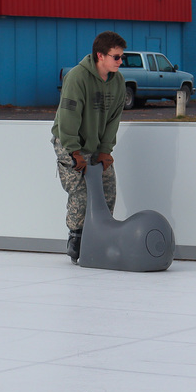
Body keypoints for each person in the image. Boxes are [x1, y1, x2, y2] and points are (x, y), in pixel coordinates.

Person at [51, 31, 127, 263]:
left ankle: (102, 236)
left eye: (121, 57)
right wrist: (74, 151)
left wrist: (105, 150)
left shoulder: (118, 82)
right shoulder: (77, 78)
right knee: (81, 192)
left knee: (107, 189)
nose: (120, 61)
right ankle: (77, 238)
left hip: (96, 144)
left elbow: (114, 119)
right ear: (100, 56)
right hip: (69, 141)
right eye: (116, 57)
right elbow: (68, 117)